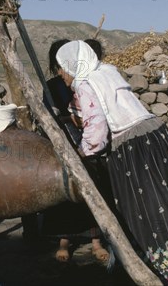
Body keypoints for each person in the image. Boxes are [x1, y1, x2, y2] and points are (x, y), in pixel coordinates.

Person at [55, 40, 168, 285]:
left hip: (135, 148)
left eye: (62, 68)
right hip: (156, 134)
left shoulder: (85, 84)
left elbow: (96, 133)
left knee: (147, 216)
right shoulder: (107, 71)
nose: (61, 74)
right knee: (163, 209)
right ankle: (167, 272)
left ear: (73, 66)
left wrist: (80, 152)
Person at [41, 39, 110, 264]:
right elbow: (47, 117)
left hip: (89, 145)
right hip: (63, 145)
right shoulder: (51, 86)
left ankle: (96, 240)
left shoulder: (85, 82)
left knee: (94, 190)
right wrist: (67, 120)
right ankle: (64, 241)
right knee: (63, 192)